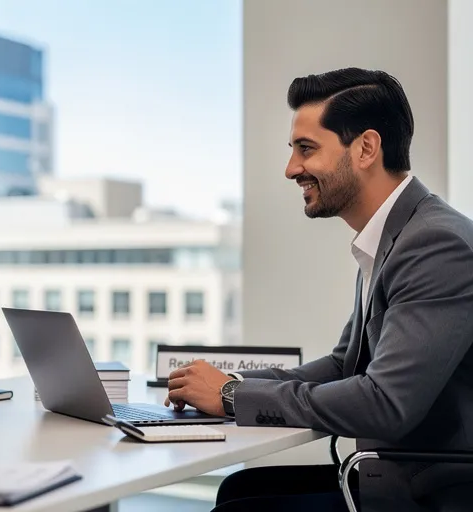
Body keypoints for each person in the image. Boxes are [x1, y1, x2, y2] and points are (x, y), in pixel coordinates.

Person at [166, 68, 473, 511]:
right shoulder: (393, 237)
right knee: (239, 489)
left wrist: (231, 398)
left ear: (366, 148)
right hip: (394, 474)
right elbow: (343, 366)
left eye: (306, 149)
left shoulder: (435, 245)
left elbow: (385, 403)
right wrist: (230, 384)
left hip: (434, 492)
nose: (292, 168)